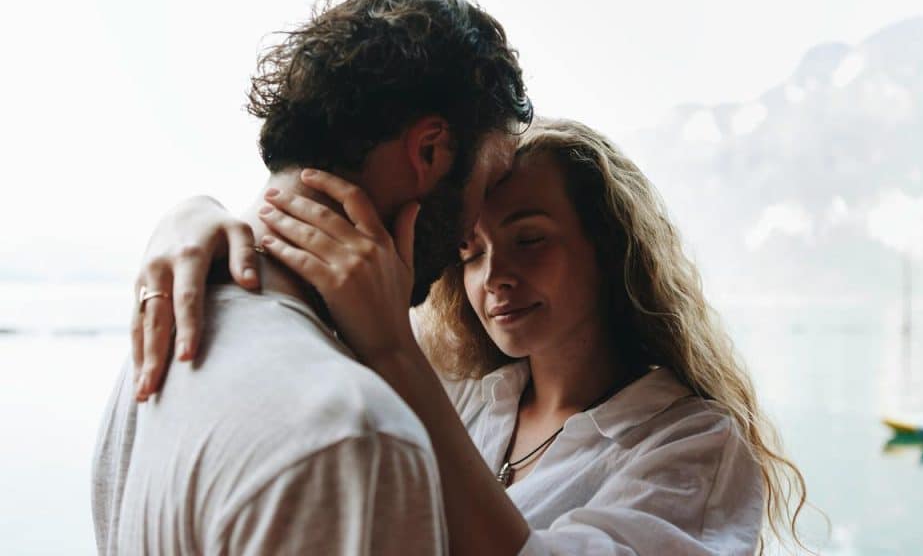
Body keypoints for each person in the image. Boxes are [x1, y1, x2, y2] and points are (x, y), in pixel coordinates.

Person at [135, 119, 811, 554]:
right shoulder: (464, 391)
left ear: (610, 250)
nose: (496, 277)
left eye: (530, 239)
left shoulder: (692, 447)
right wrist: (190, 218)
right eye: (472, 251)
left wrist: (392, 349)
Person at [91, 0, 532, 555]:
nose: (474, 232)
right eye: (488, 182)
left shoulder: (162, 336)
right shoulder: (357, 434)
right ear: (430, 150)